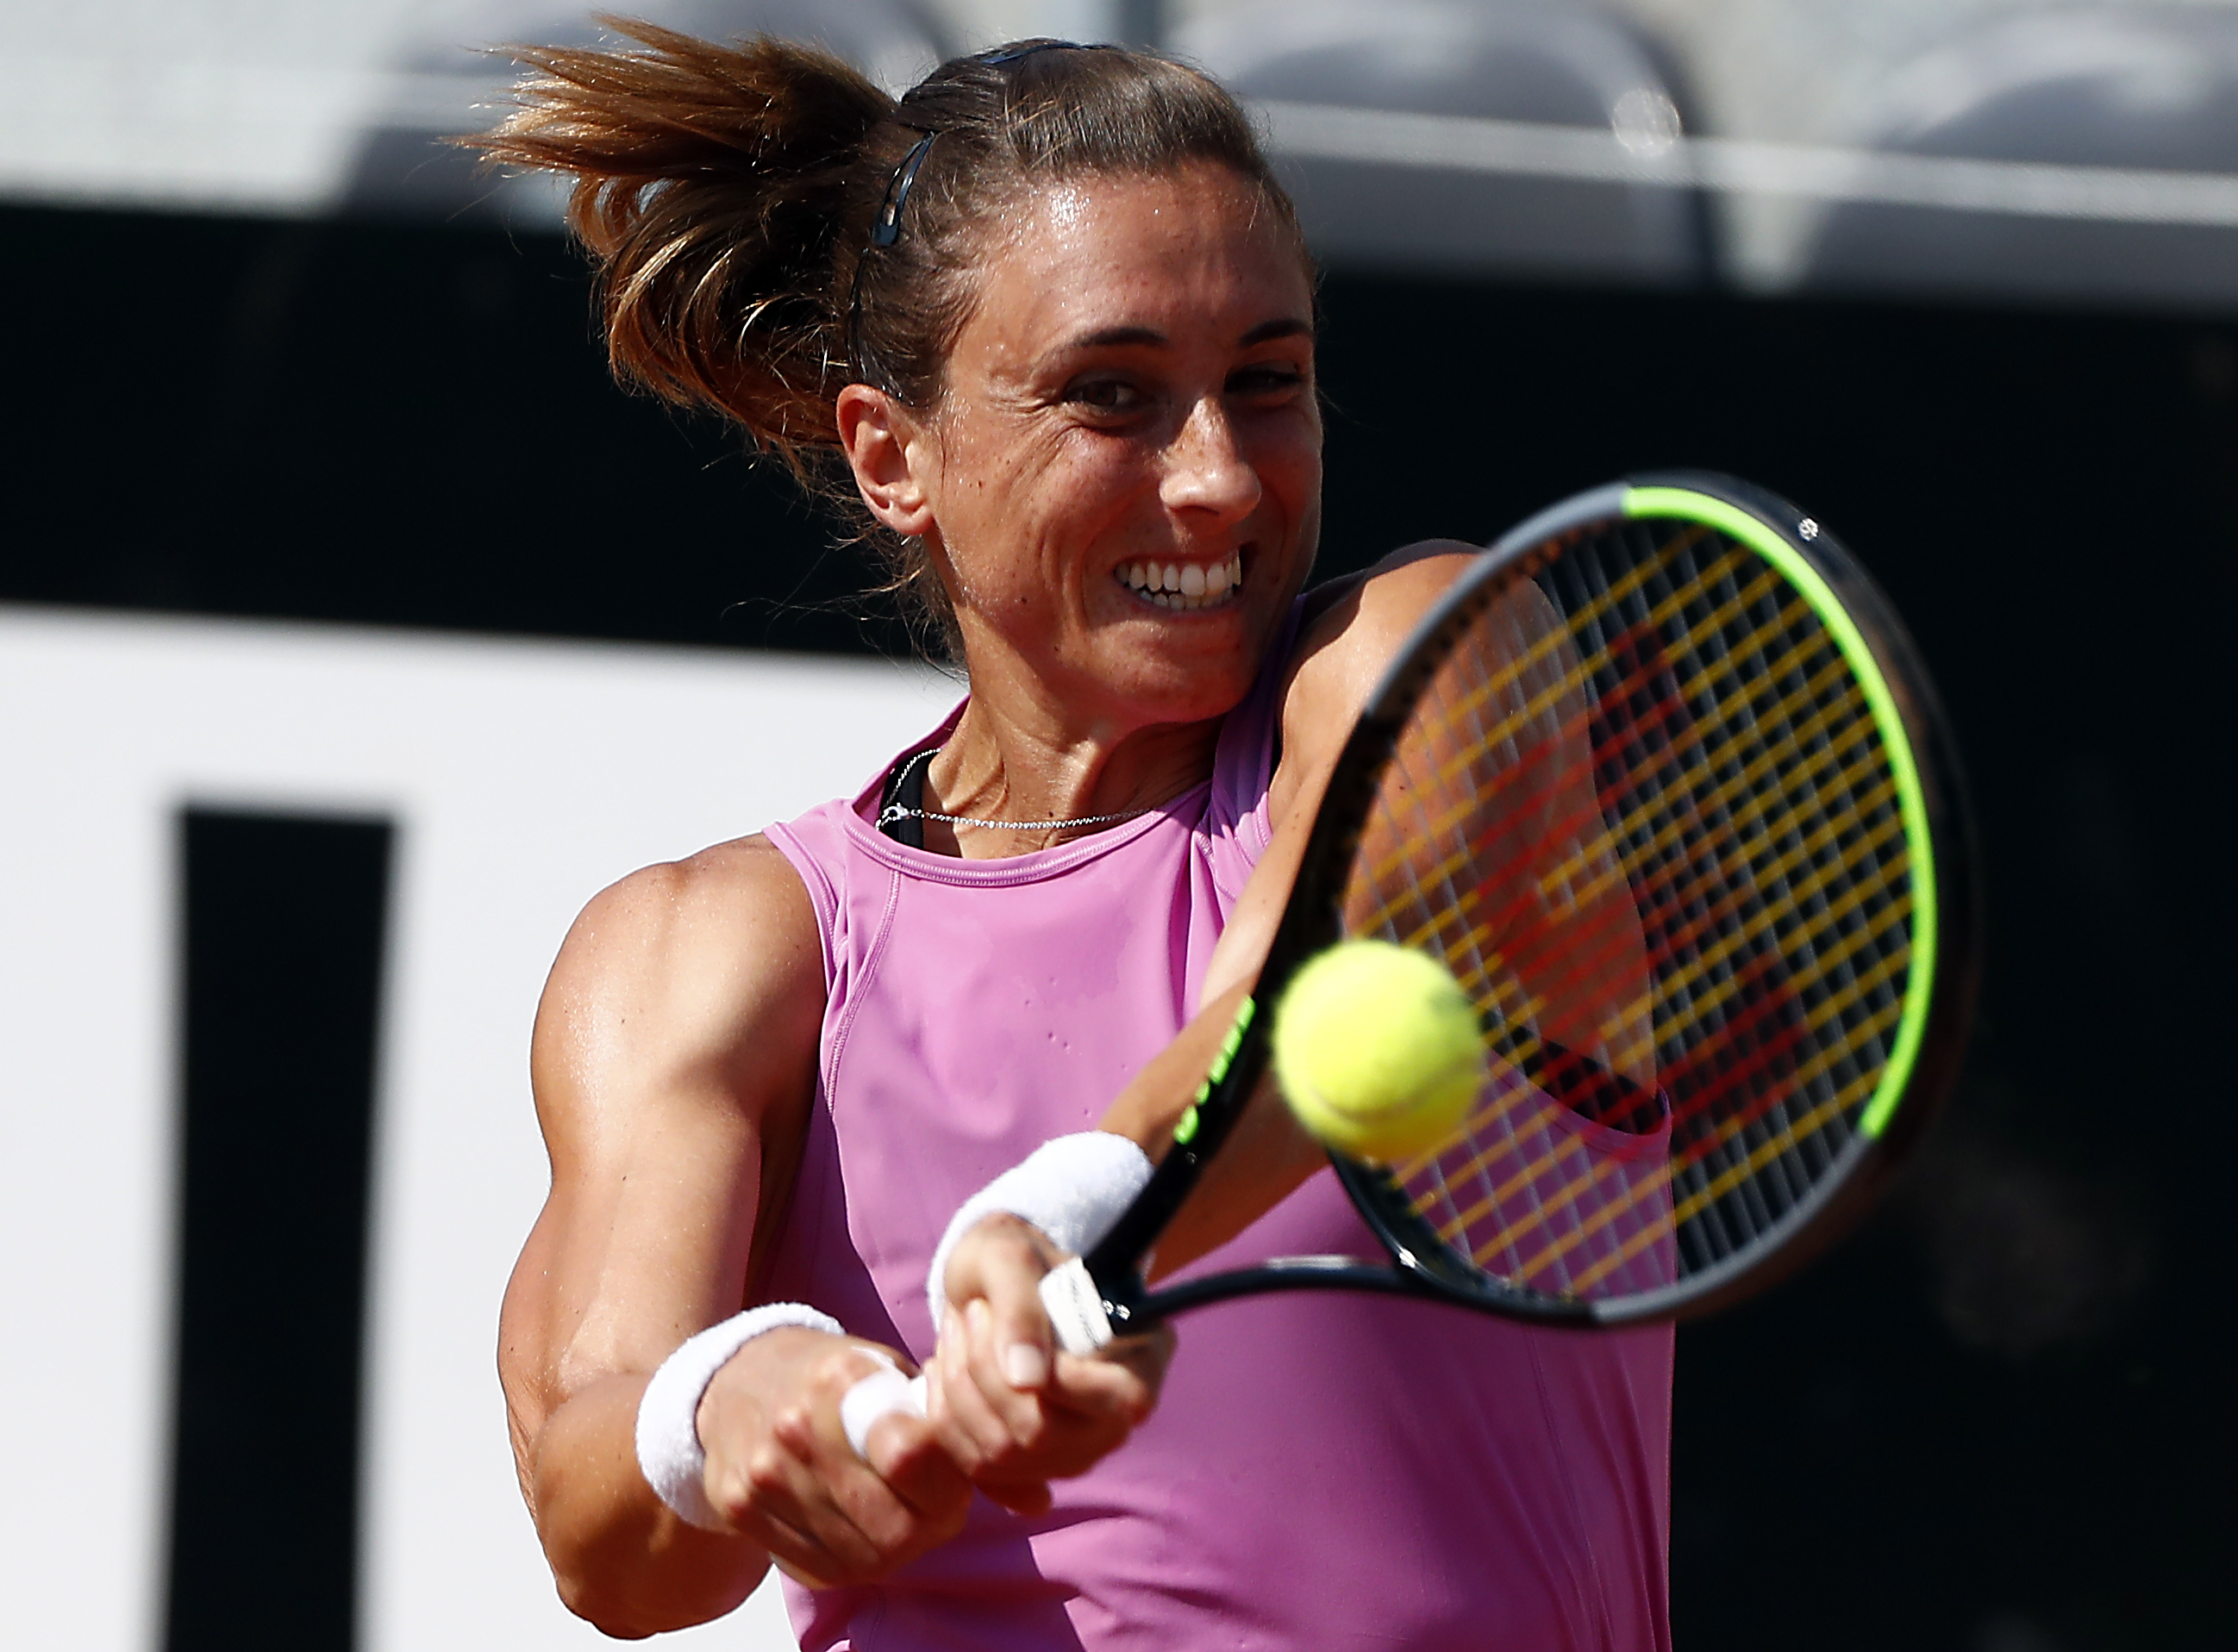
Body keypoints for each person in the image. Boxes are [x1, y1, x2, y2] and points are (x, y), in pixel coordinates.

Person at [484, 25, 1673, 1651]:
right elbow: (603, 1531)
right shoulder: (710, 953)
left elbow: (1310, 978)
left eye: (1267, 382)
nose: (1216, 481)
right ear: (895, 456)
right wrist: (733, 1407)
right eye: (1111, 397)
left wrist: (1064, 1223)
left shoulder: (1429, 659)